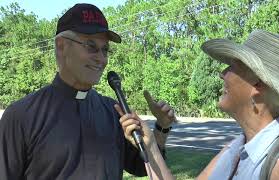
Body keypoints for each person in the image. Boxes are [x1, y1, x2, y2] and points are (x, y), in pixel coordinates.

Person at [0, 3, 176, 180]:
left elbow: (141, 167)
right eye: (91, 46)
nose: (101, 58)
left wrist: (161, 128)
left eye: (105, 49)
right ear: (61, 46)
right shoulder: (21, 116)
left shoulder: (113, 111)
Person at [116, 30, 279, 180]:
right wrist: (151, 143)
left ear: (257, 84)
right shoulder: (237, 149)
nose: (222, 73)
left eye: (232, 65)